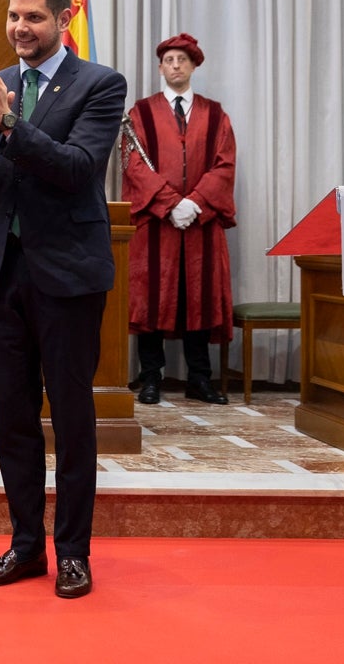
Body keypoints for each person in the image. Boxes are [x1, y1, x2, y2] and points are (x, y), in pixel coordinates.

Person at [0, 0, 126, 599]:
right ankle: (26, 546)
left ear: (60, 21)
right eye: (13, 16)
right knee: (12, 418)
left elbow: (77, 170)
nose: (19, 28)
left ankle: (74, 552)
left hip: (68, 277)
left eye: (32, 18)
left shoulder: (100, 84)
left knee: (72, 416)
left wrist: (9, 122)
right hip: (3, 274)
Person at [121, 33, 236, 406]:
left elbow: (225, 164)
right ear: (160, 67)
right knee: (151, 297)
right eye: (169, 60)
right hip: (156, 223)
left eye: (182, 60)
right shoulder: (140, 113)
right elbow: (133, 165)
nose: (175, 66)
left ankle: (199, 379)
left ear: (194, 65)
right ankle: (151, 376)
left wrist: (196, 203)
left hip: (200, 224)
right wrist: (171, 203)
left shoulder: (215, 114)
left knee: (197, 298)